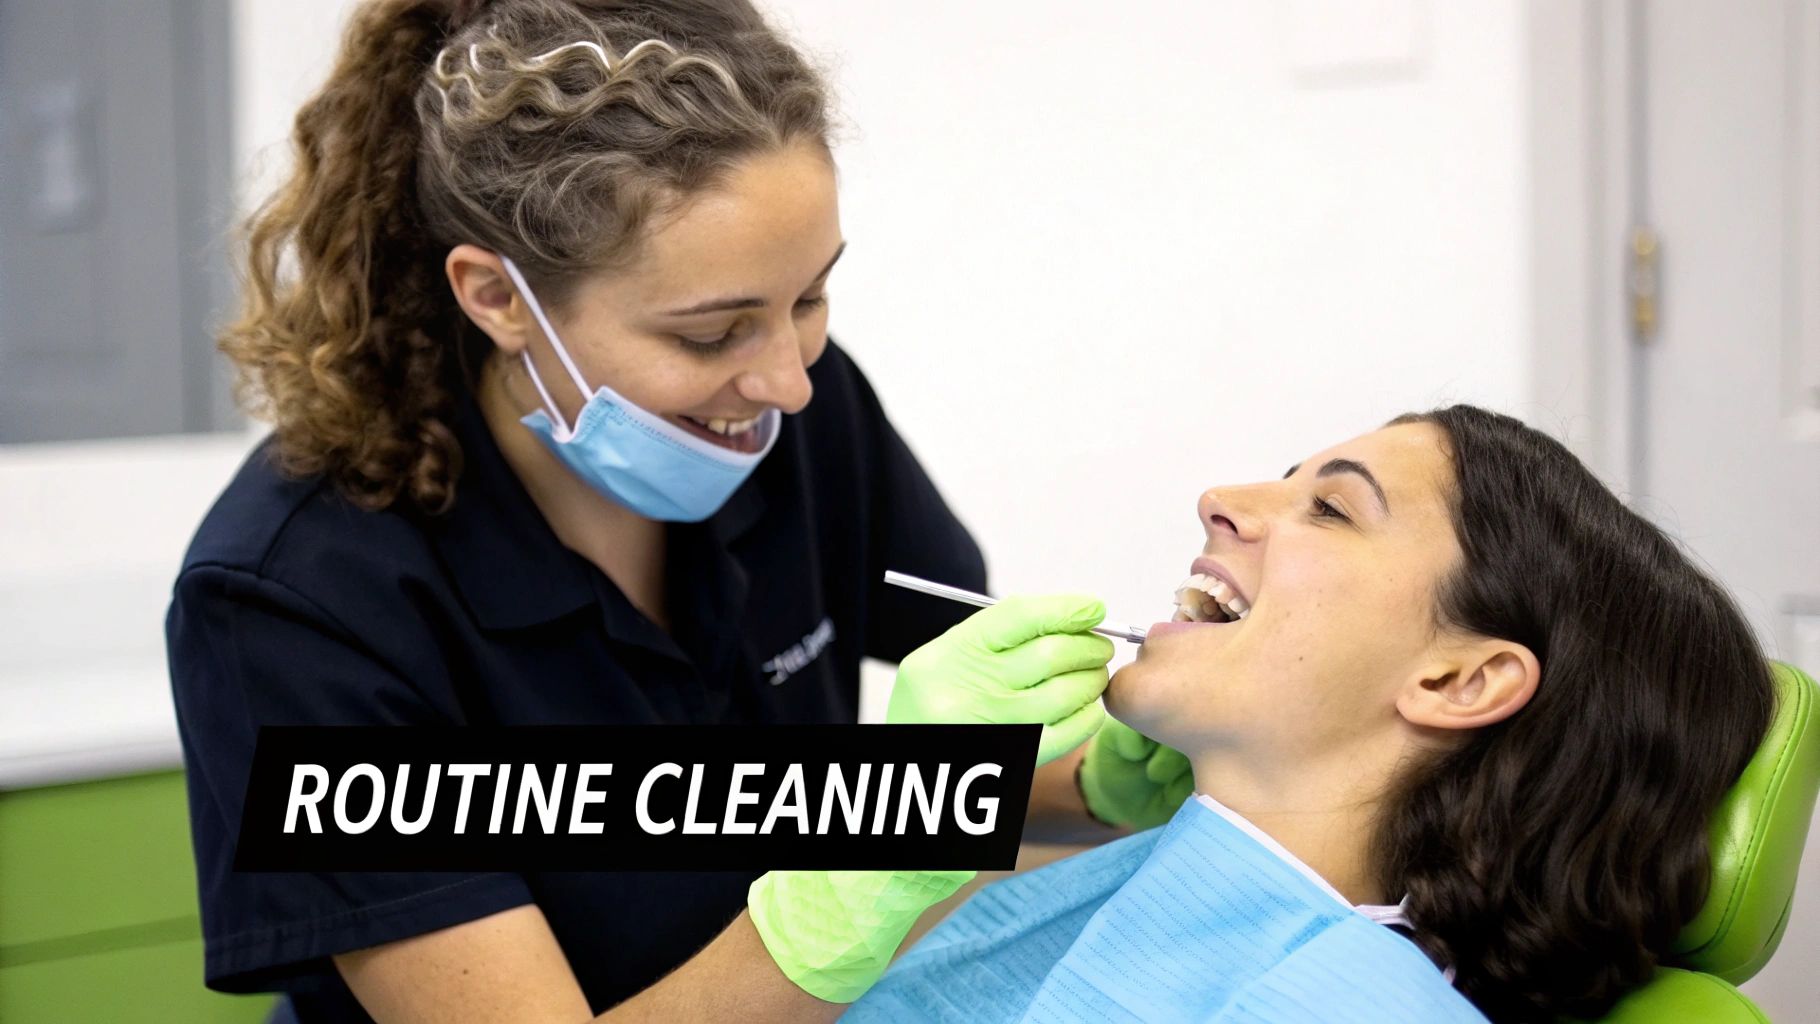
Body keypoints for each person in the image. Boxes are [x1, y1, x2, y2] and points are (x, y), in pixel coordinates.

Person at [164, 1, 1160, 1020]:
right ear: (498, 298)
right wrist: (866, 873)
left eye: (808, 300)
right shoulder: (294, 603)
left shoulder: (794, 419)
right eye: (709, 334)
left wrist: (1088, 786)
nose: (787, 382)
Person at [826, 406, 1775, 1022]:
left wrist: (909, 810)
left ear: (1461, 680)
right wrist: (900, 807)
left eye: (1331, 509)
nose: (1218, 501)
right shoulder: (1165, 885)